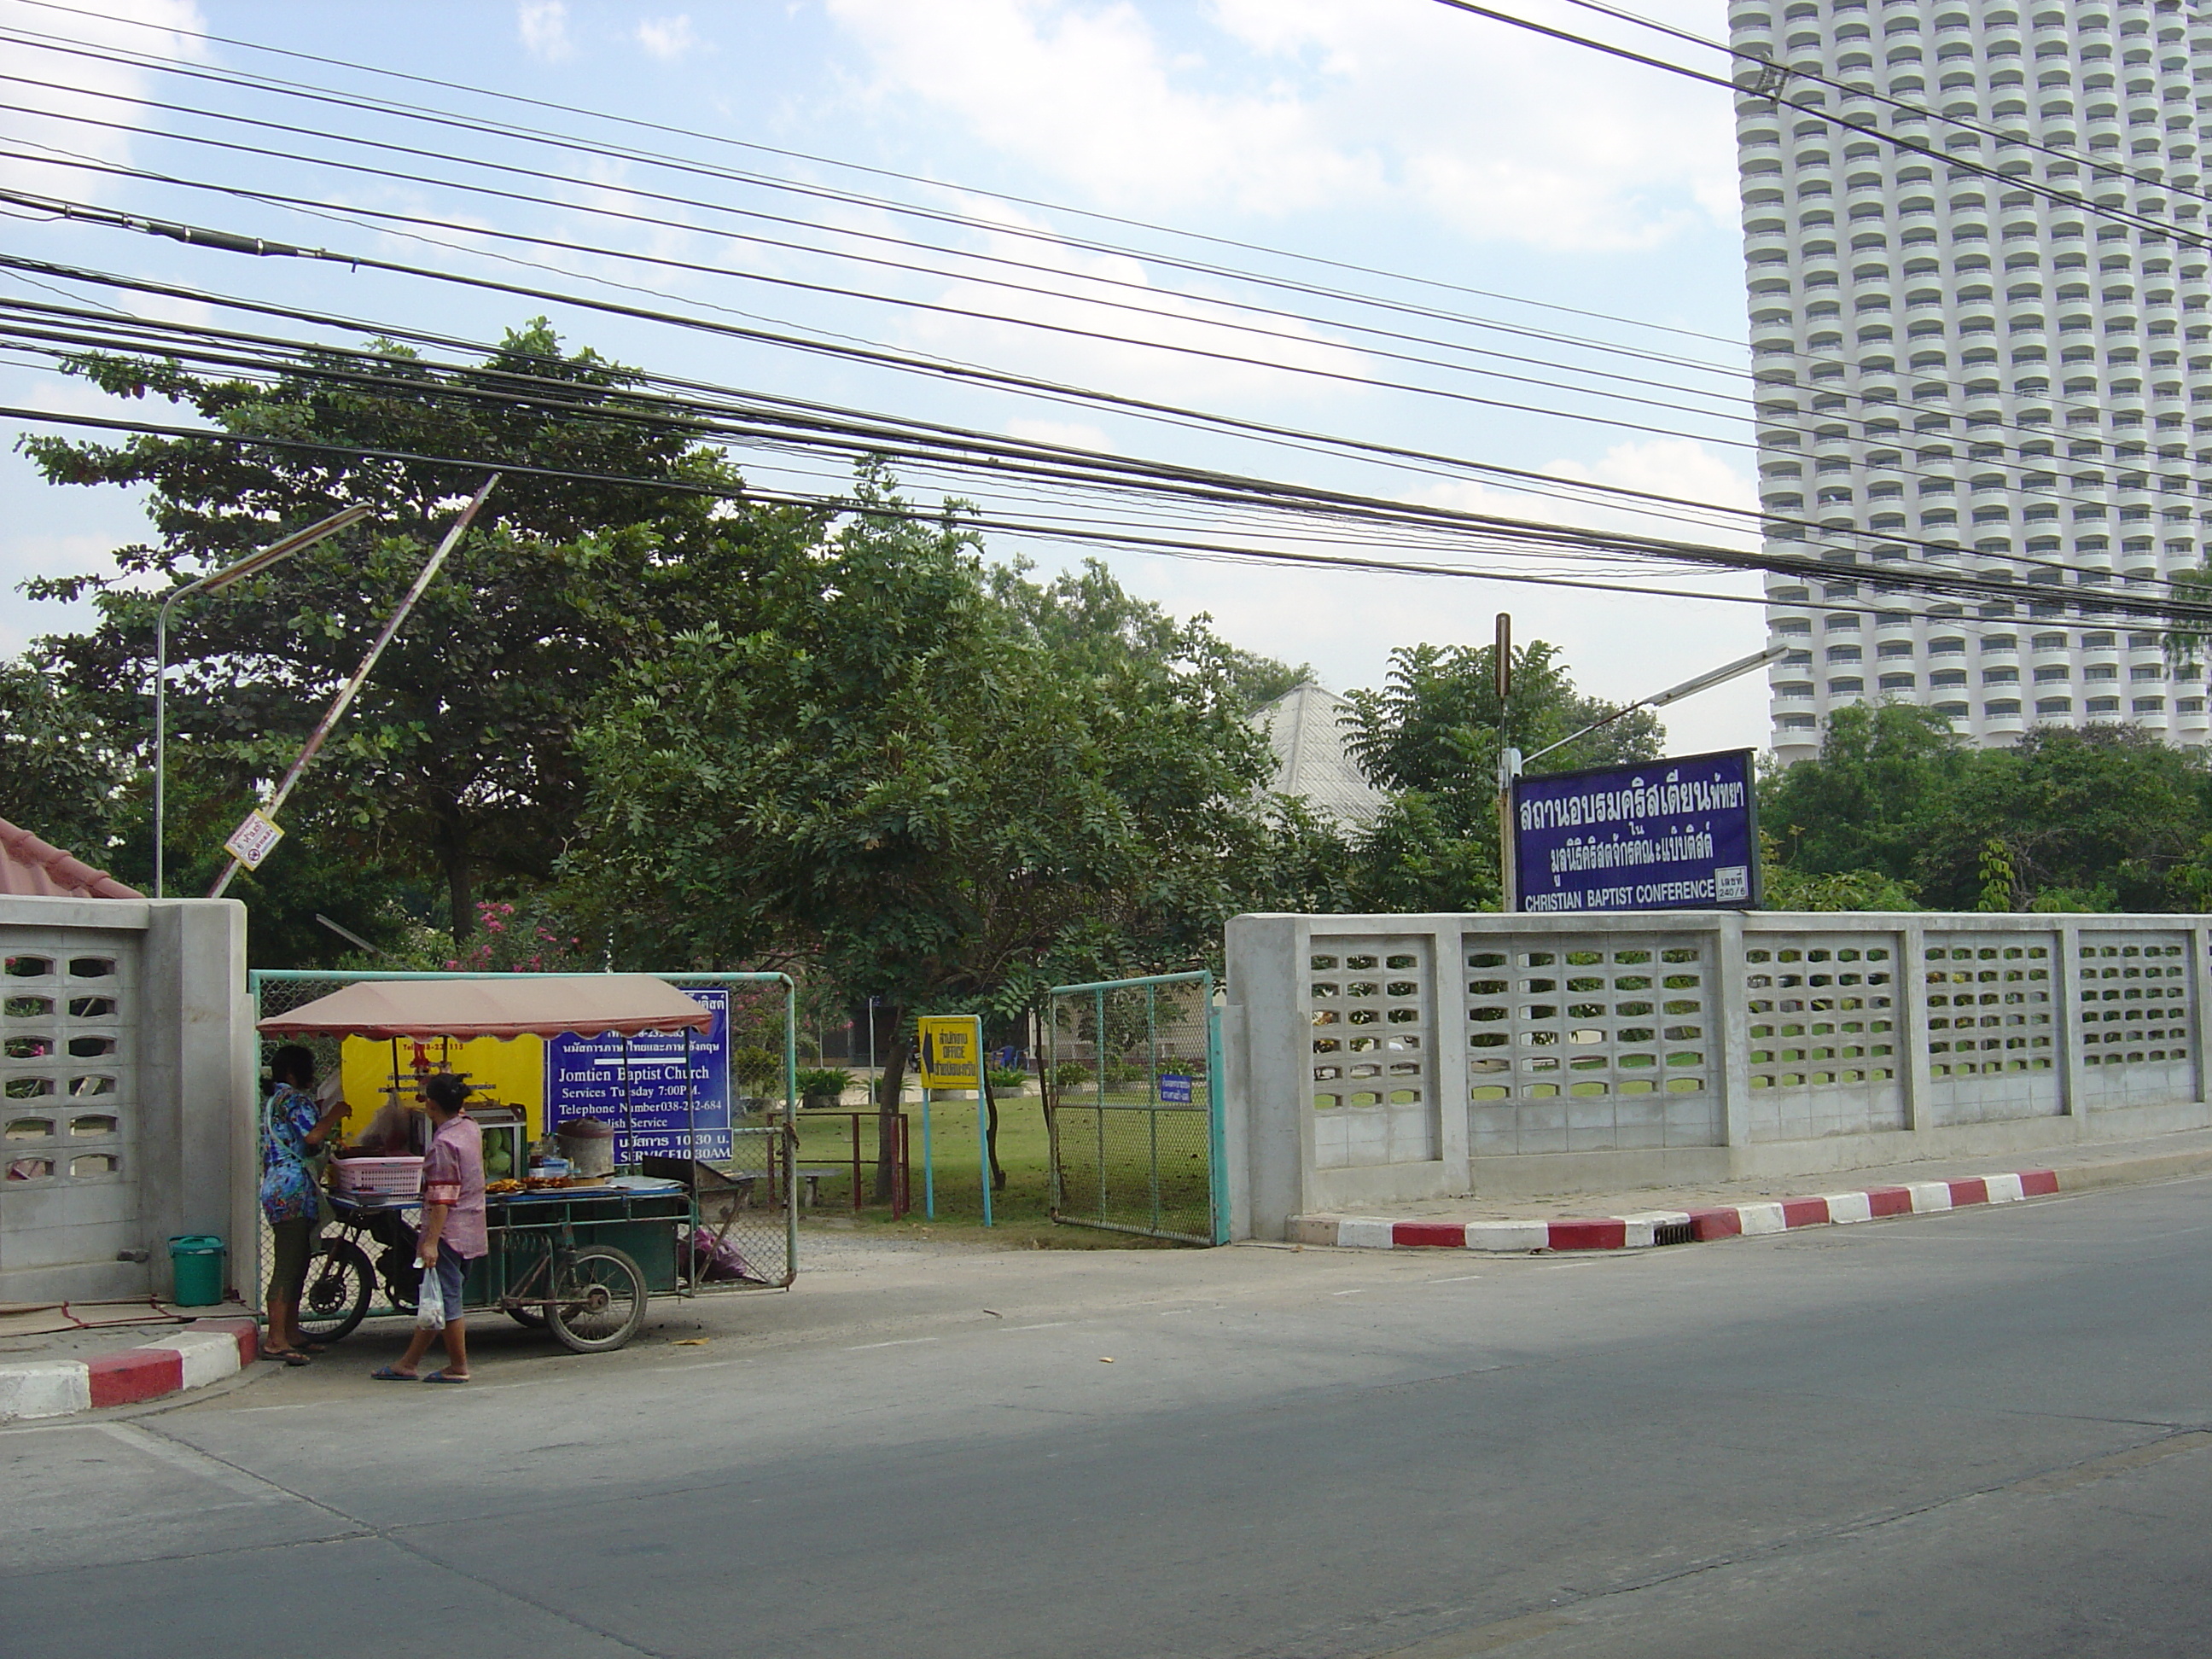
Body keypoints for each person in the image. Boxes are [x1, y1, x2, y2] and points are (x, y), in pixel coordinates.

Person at [372, 1072, 486, 1383]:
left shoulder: (444, 1144)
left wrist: (431, 1242)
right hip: (471, 1226)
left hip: (449, 1232)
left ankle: (458, 1366)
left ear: (430, 1105)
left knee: (447, 1299)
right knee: (434, 1296)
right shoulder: (470, 1129)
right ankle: (408, 1363)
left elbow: (441, 1199)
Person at [259, 1045, 347, 1365]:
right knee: (287, 1266)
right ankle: (276, 1339)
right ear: (293, 1073)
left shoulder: (274, 1101)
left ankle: (292, 1333)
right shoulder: (292, 1099)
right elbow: (312, 1139)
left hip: (282, 1187)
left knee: (298, 1263)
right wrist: (335, 1115)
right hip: (291, 1190)